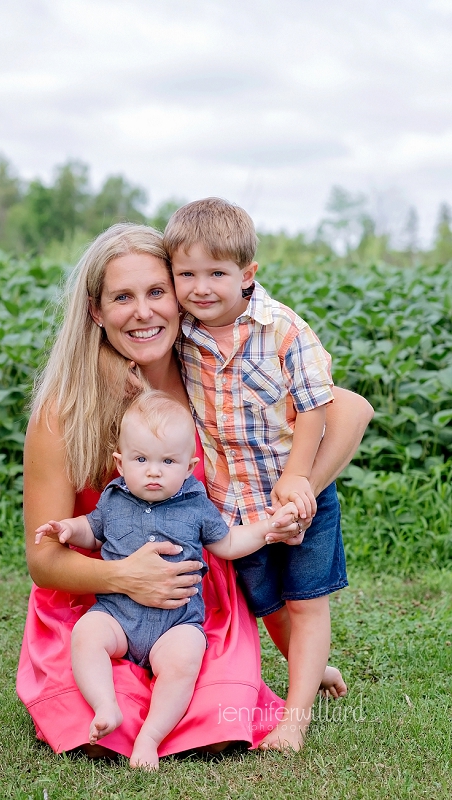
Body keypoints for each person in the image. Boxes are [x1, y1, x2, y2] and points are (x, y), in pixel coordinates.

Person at [17, 221, 373, 760]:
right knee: (106, 730)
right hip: (95, 601)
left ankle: (297, 664)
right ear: (95, 310)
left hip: (194, 606)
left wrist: (298, 490)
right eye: (122, 297)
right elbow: (43, 561)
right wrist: (122, 574)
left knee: (212, 724)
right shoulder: (66, 410)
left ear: (181, 297)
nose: (144, 311)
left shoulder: (211, 372)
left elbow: (350, 409)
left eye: (157, 291)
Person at [165, 197, 352, 751]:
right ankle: (311, 671)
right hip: (232, 505)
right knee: (267, 604)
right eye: (186, 274)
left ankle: (294, 722)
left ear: (247, 275)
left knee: (306, 601)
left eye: (216, 273)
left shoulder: (283, 329)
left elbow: (318, 404)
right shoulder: (183, 334)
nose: (200, 287)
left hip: (293, 499)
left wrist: (299, 479)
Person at [35, 391, 300, 769]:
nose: (154, 471)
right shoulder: (113, 499)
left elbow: (226, 542)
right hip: (117, 617)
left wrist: (265, 530)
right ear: (120, 462)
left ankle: (151, 736)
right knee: (87, 634)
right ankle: (104, 704)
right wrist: (66, 528)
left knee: (184, 658)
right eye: (141, 459)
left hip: (176, 623)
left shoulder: (195, 504)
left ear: (189, 465)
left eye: (168, 461)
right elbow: (91, 531)